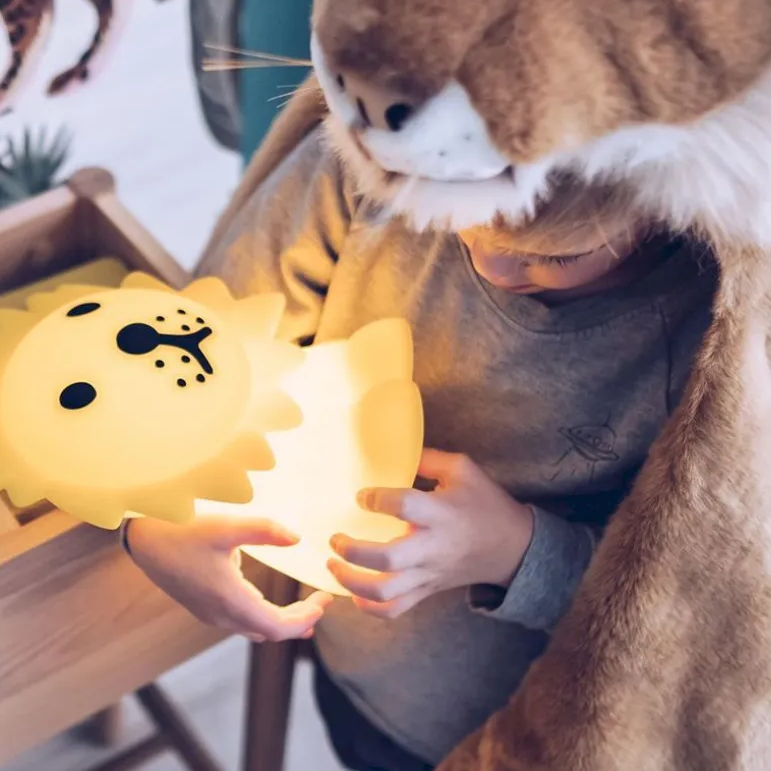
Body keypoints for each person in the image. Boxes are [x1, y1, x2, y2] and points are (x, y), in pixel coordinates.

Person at [122, 130, 718, 771]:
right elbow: (191, 355)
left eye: (553, 256)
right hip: (354, 672)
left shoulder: (718, 341)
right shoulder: (370, 161)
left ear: (668, 203)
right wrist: (149, 518)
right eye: (459, 217)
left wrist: (517, 551)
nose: (491, 265)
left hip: (498, 733)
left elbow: (701, 617)